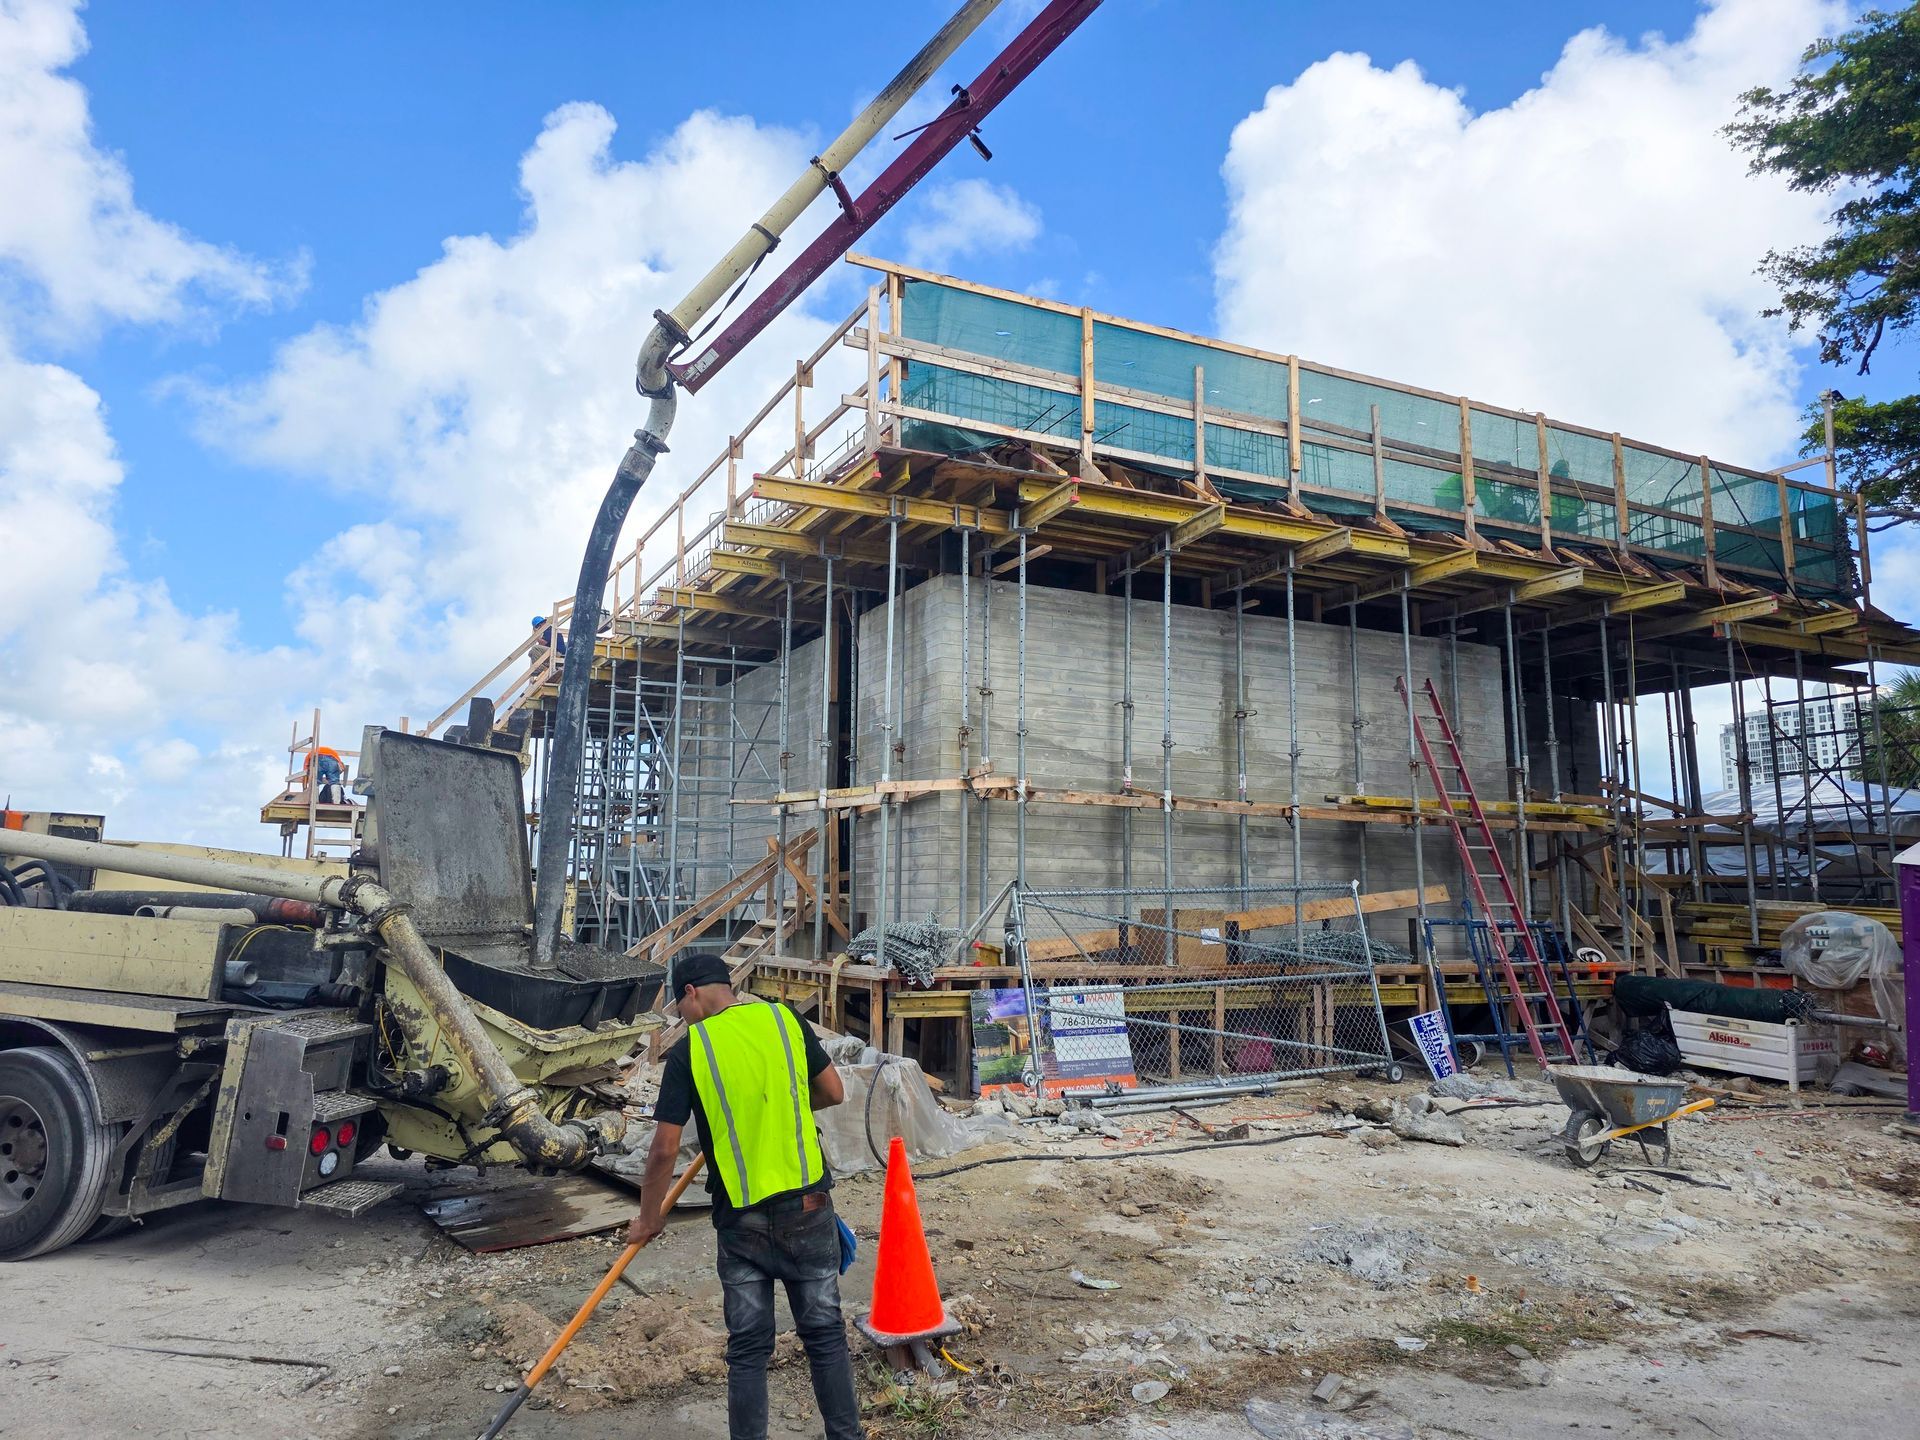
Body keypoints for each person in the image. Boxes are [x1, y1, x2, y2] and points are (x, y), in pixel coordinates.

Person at [628, 953, 859, 1440]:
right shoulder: (784, 1019)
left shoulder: (694, 1049)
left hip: (741, 1222)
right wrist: (784, 1102)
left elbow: (664, 1149)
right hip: (808, 1209)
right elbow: (833, 1092)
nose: (682, 1015)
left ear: (691, 991)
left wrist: (648, 1219)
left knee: (749, 1350)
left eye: (679, 1004)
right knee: (824, 1336)